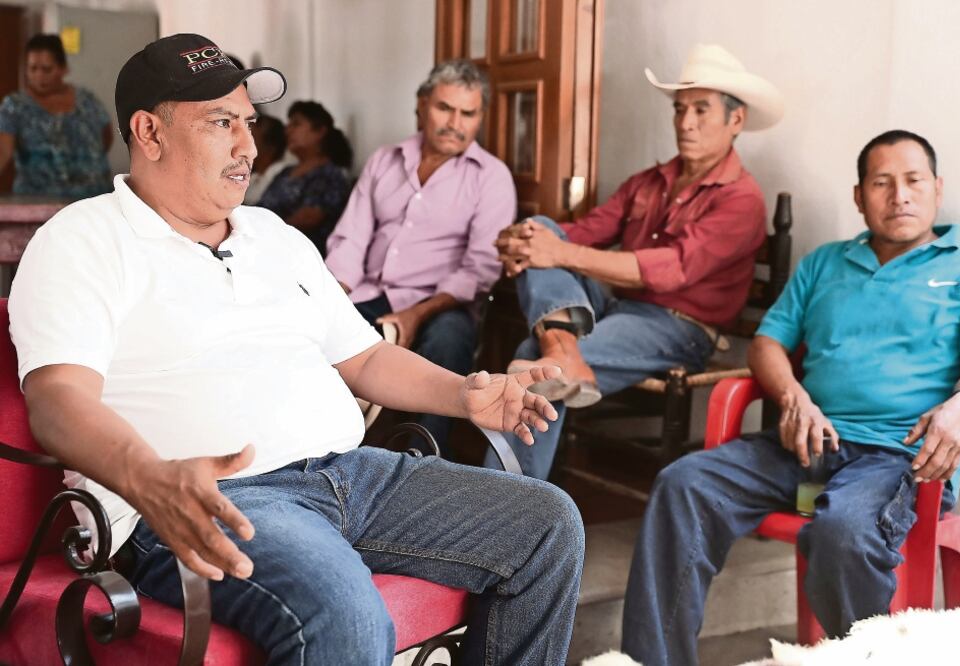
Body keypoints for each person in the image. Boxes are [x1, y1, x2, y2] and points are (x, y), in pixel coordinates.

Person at [9, 33, 583, 666]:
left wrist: (462, 392)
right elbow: (57, 399)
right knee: (344, 610)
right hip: (218, 502)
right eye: (220, 123)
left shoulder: (272, 234)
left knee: (547, 525)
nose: (248, 146)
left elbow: (363, 358)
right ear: (149, 132)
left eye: (249, 123)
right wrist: (147, 477)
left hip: (351, 473)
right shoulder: (81, 240)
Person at [621, 130, 960, 666]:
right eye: (882, 183)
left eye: (914, 181)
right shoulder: (825, 263)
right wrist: (794, 397)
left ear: (937, 189)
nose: (900, 196)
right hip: (808, 444)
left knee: (843, 532)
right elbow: (768, 344)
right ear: (858, 195)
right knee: (684, 484)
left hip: (897, 458)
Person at [491, 44, 784, 479]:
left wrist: (556, 251)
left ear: (735, 120)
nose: (685, 122)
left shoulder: (742, 199)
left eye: (701, 110)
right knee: (541, 226)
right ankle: (565, 351)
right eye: (680, 109)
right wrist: (523, 241)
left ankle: (501, 516)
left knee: (534, 360)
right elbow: (578, 233)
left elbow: (671, 269)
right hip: (618, 311)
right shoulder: (651, 181)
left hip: (679, 327)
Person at [325, 59, 516, 456]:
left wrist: (417, 314)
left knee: (448, 342)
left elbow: (479, 268)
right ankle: (328, 455)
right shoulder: (385, 160)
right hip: (371, 290)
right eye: (445, 108)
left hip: (444, 302)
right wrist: (331, 299)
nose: (455, 123)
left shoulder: (491, 177)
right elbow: (351, 239)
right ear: (422, 104)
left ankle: (422, 462)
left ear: (481, 117)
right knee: (317, 335)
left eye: (468, 113)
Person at [0, 33, 112, 198]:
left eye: (46, 69)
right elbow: (3, 150)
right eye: (33, 69)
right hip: (38, 201)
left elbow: (106, 137)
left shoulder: (87, 101)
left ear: (63, 69)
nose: (39, 76)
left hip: (92, 198)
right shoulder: (15, 106)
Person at [258, 100, 352, 255]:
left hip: (293, 255)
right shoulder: (286, 171)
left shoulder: (330, 175)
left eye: (296, 124)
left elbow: (307, 219)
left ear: (320, 131)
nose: (288, 130)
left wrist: (260, 236)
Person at [243, 113, 292, 204]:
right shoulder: (253, 177)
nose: (244, 145)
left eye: (252, 139)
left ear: (271, 147)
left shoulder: (280, 174)